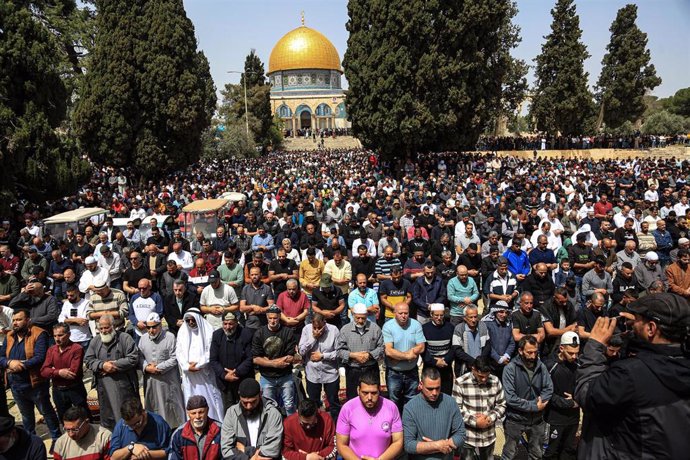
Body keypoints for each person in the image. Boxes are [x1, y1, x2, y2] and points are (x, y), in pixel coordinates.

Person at [575, 293, 690, 459]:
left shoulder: (628, 375)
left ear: (651, 328)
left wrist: (595, 345)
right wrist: (636, 332)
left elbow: (586, 393)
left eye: (637, 320)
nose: (633, 322)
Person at [0, 309, 62, 444]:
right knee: (26, 416)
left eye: (19, 320)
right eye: (14, 320)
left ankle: (56, 438)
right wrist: (10, 362)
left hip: (35, 382)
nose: (15, 323)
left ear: (28, 320)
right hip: (16, 384)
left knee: (46, 412)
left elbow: (40, 357)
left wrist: (21, 365)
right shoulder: (10, 336)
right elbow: (1, 356)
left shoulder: (39, 334)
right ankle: (30, 441)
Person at [501, 336, 553, 460]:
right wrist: (534, 406)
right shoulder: (510, 369)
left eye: (535, 352)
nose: (533, 356)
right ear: (520, 351)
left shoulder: (541, 367)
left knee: (536, 453)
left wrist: (541, 402)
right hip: (515, 420)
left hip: (537, 420)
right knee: (509, 453)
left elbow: (548, 388)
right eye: (529, 352)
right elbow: (510, 398)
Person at [84, 315, 139, 430]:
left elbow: (133, 358)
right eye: (101, 328)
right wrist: (102, 365)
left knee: (127, 415)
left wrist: (115, 365)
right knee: (107, 418)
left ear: (114, 326)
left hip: (124, 386)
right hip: (103, 387)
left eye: (106, 328)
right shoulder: (95, 341)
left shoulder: (125, 338)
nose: (104, 331)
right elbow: (88, 360)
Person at [336, 371, 404, 460]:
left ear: (379, 390)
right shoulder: (348, 409)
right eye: (365, 393)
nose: (369, 398)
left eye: (374, 393)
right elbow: (341, 445)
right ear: (358, 390)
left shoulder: (391, 408)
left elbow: (398, 442)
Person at [402, 367, 465, 459]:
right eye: (430, 389)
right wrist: (436, 446)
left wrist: (445, 445)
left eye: (437, 388)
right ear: (421, 385)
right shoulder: (410, 408)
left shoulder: (450, 403)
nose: (434, 393)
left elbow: (461, 434)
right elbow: (408, 444)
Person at [176, 308, 224, 423]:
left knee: (210, 399)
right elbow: (179, 352)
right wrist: (187, 367)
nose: (191, 322)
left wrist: (199, 364)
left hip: (204, 373)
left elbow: (211, 351)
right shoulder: (182, 331)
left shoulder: (208, 331)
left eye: (193, 320)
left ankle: (215, 422)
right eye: (188, 320)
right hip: (190, 375)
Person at [453, 357, 507, 460]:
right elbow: (456, 410)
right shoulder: (460, 382)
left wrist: (490, 418)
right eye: (480, 376)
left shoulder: (495, 381)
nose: (484, 379)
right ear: (473, 369)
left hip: (488, 435)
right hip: (468, 436)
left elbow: (502, 404)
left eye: (486, 376)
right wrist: (475, 421)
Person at [138, 312, 186, 428]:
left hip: (168, 380)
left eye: (154, 327)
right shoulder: (143, 339)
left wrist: (159, 368)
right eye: (148, 327)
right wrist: (146, 367)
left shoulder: (170, 337)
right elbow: (139, 357)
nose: (151, 330)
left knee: (171, 407)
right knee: (153, 405)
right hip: (151, 380)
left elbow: (175, 357)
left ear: (160, 325)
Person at [252, 305, 299, 416]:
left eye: (275, 318)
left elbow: (290, 357)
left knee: (289, 405)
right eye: (270, 318)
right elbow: (256, 358)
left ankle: (290, 428)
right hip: (267, 377)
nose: (273, 321)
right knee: (268, 407)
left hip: (285, 376)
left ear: (279, 317)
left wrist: (267, 361)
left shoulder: (287, 332)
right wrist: (275, 364)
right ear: (267, 318)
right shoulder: (259, 333)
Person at [221, 378, 284, 460]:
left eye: (253, 402)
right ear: (239, 397)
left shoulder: (272, 414)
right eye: (245, 403)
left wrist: (245, 450)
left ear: (260, 395)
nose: (249, 406)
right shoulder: (231, 413)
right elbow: (226, 450)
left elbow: (272, 450)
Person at [40, 323, 90, 420]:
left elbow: (72, 373)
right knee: (64, 418)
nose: (57, 338)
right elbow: (43, 371)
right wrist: (59, 372)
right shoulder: (51, 350)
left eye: (60, 335)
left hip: (75, 389)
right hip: (58, 390)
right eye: (55, 336)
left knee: (83, 416)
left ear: (68, 334)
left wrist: (53, 371)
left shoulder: (77, 349)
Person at [543, 331, 580, 460]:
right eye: (570, 353)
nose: (574, 356)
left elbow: (585, 387)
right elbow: (545, 393)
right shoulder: (550, 366)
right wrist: (570, 403)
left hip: (573, 419)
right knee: (551, 452)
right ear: (561, 348)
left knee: (568, 451)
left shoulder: (579, 365)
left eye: (577, 353)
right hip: (554, 418)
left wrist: (578, 399)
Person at [382, 302, 426, 412]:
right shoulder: (388, 326)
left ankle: (409, 424)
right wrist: (408, 356)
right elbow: (389, 351)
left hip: (412, 370)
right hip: (394, 372)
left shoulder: (416, 325)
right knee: (393, 401)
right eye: (400, 313)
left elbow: (421, 347)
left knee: (412, 400)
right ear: (394, 313)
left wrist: (401, 355)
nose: (403, 316)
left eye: (406, 313)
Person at [336, 303, 384, 400]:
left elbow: (382, 348)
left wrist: (369, 355)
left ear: (367, 316)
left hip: (370, 369)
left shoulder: (375, 328)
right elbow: (339, 351)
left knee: (372, 398)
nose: (360, 321)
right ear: (353, 315)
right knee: (353, 398)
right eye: (358, 318)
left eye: (363, 318)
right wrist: (353, 355)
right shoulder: (345, 330)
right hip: (353, 369)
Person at [299, 312, 341, 420]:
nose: (317, 330)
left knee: (333, 403)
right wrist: (313, 338)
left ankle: (336, 427)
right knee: (313, 404)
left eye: (320, 327)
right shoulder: (306, 330)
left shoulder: (334, 330)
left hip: (330, 373)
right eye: (315, 327)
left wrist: (323, 356)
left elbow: (340, 352)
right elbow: (302, 351)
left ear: (325, 323)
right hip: (312, 374)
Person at [209, 311, 254, 411]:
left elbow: (250, 358)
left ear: (236, 323)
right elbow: (213, 359)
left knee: (246, 409)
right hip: (225, 382)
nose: (228, 327)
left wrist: (237, 372)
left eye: (230, 324)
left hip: (243, 379)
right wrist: (224, 375)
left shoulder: (246, 334)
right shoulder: (217, 335)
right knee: (229, 410)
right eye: (225, 324)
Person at [169, 395, 222, 460]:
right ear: (188, 413)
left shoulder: (220, 431)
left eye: (201, 412)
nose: (197, 416)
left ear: (207, 410)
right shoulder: (178, 435)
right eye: (193, 413)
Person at [422, 303, 455, 394]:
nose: (439, 318)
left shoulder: (450, 327)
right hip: (430, 366)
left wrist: (445, 360)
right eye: (436, 315)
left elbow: (454, 347)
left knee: (446, 392)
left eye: (441, 315)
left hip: (445, 366)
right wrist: (434, 361)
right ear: (431, 315)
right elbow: (423, 350)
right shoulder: (424, 328)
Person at [452, 305, 490, 376]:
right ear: (465, 318)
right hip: (465, 366)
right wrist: (472, 361)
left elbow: (487, 345)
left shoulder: (483, 326)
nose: (473, 320)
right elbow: (457, 350)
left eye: (475, 317)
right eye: (471, 317)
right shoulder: (459, 328)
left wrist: (480, 361)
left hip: (481, 366)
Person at [483, 301, 515, 379]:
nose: (504, 315)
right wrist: (498, 359)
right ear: (495, 311)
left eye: (506, 312)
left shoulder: (509, 323)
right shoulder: (487, 323)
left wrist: (506, 356)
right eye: (501, 312)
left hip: (506, 362)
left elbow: (512, 342)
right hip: (491, 362)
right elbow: (487, 344)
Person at [239, 265, 275, 332]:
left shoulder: (267, 288)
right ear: (249, 276)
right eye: (252, 275)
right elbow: (241, 308)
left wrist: (260, 310)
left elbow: (272, 306)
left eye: (256, 274)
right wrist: (253, 307)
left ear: (260, 275)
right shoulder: (245, 289)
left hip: (264, 325)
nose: (254, 276)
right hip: (249, 325)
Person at [128, 278, 164, 343]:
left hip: (152, 331)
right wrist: (137, 323)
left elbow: (160, 313)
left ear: (149, 287)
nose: (142, 290)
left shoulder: (156, 297)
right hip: (137, 332)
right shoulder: (134, 298)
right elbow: (131, 314)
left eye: (144, 288)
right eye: (139, 288)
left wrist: (147, 324)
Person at [57, 284, 92, 349]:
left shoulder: (86, 303)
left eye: (71, 295)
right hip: (69, 339)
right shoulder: (66, 303)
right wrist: (76, 320)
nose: (69, 297)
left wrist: (67, 321)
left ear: (78, 293)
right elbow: (60, 319)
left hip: (83, 338)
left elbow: (84, 321)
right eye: (67, 296)